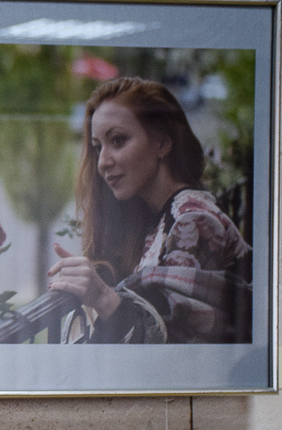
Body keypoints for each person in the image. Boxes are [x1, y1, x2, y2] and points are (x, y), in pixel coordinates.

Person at [46, 77, 252, 344]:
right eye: (98, 147)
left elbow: (177, 348)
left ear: (162, 143)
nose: (103, 162)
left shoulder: (192, 221)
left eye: (118, 140)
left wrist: (103, 298)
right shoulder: (153, 218)